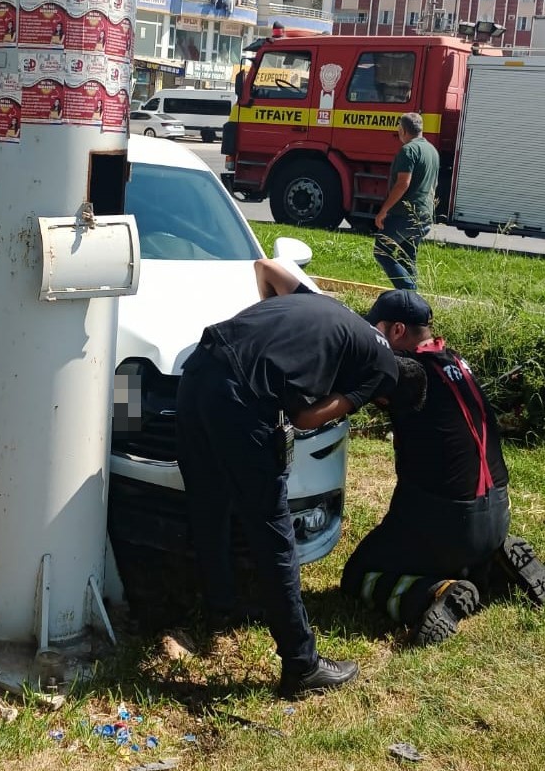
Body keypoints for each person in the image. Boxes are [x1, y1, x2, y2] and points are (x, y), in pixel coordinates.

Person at [176, 258, 427, 699]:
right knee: (274, 534)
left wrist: (269, 343)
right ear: (386, 399)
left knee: (209, 501)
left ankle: (220, 607)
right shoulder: (384, 369)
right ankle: (301, 664)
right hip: (240, 396)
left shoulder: (336, 309)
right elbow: (306, 417)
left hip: (201, 367)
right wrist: (321, 397)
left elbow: (265, 267)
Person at [342, 290, 545, 645]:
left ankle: (435, 592)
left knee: (358, 575)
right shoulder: (456, 362)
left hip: (446, 523)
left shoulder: (407, 374)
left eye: (377, 332)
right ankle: (489, 562)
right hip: (497, 511)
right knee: (452, 540)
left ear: (397, 330)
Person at [373, 112, 440, 291]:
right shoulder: (432, 151)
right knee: (407, 256)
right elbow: (435, 183)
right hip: (424, 215)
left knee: (381, 250)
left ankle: (408, 291)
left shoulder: (408, 150)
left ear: (402, 130)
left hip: (404, 214)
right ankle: (411, 299)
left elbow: (403, 183)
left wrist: (384, 210)